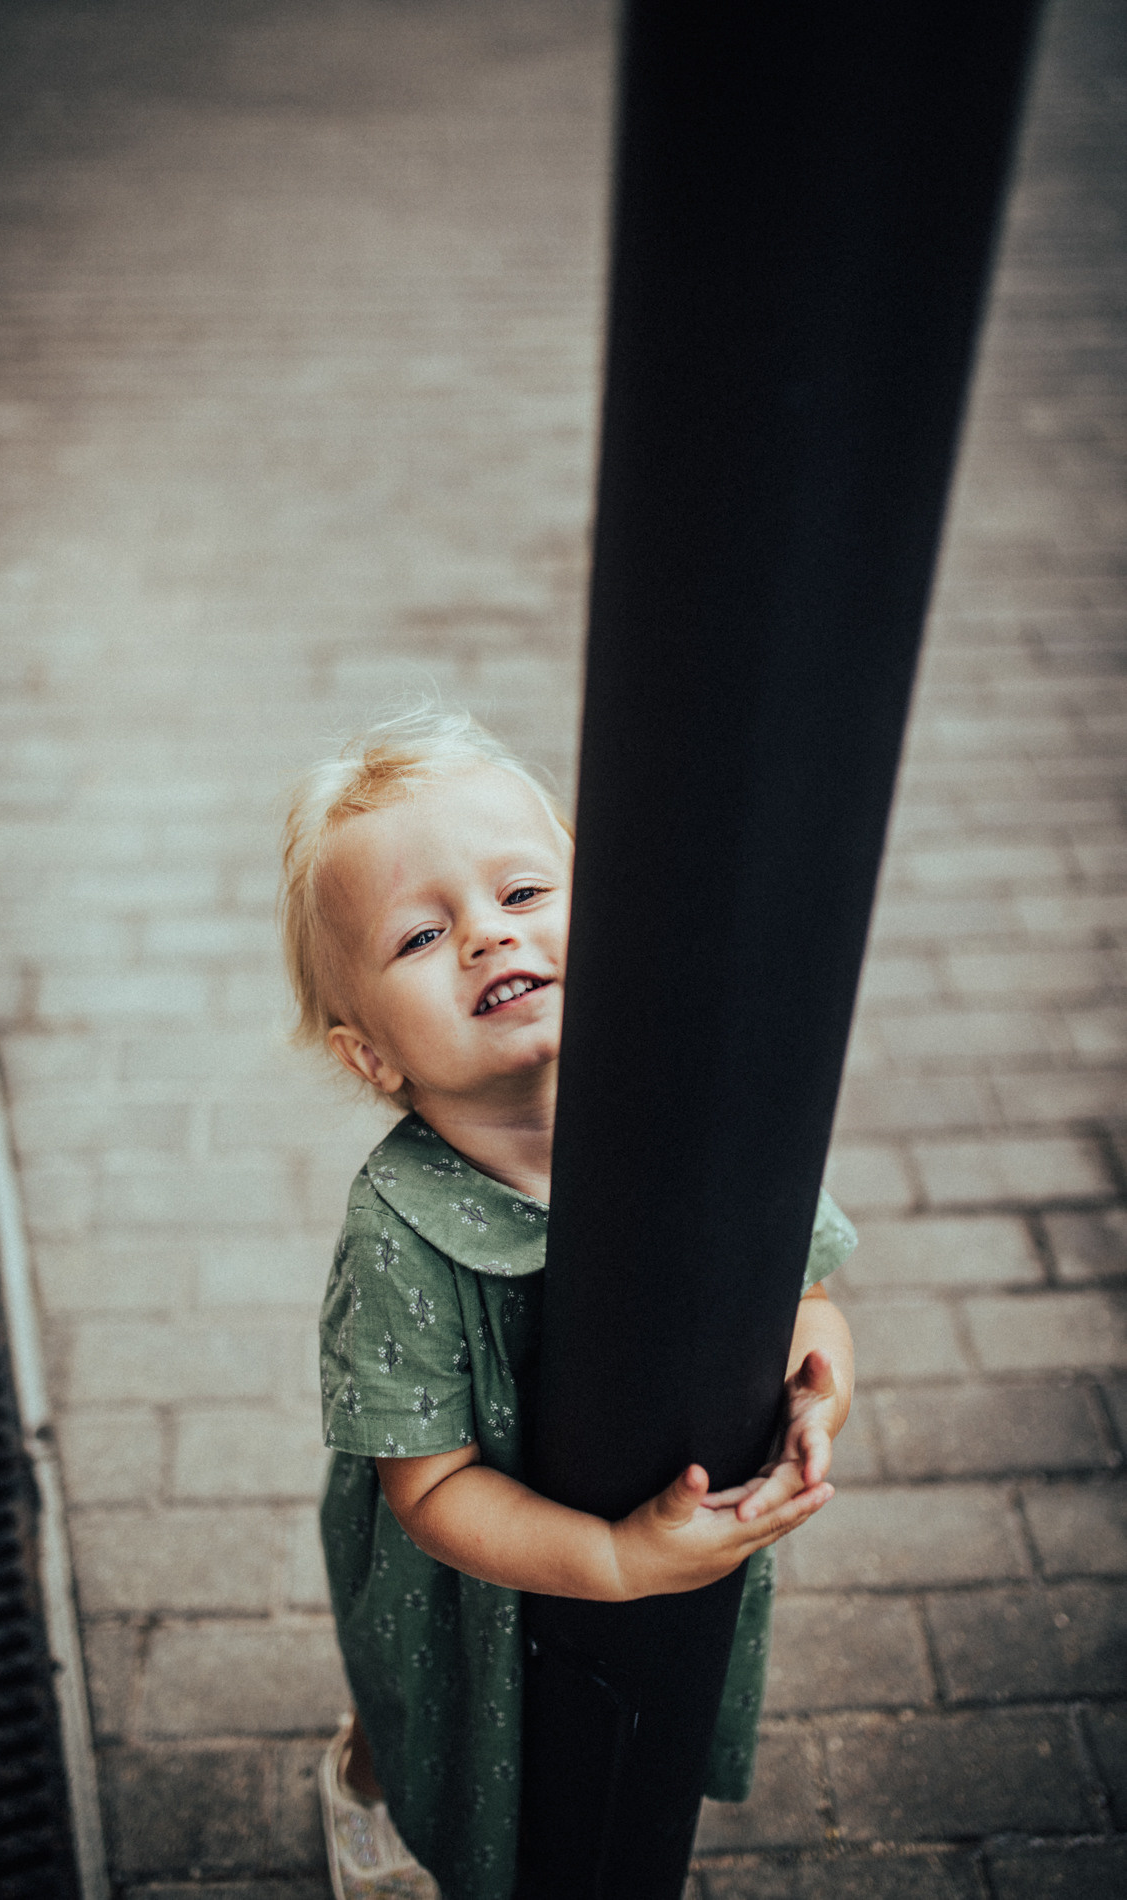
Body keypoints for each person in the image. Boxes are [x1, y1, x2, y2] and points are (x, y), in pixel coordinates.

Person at [279, 709, 856, 1900]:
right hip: (461, 1581)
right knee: (433, 1721)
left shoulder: (704, 1114)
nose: (488, 934)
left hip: (665, 1530)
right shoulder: (400, 1223)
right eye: (423, 934)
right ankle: (371, 1787)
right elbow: (428, 1486)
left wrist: (817, 1392)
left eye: (522, 890)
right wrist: (607, 1553)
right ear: (368, 1055)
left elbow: (801, 1294)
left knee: (610, 1748)